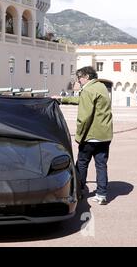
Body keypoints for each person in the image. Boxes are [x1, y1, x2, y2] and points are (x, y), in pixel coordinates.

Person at [52, 66, 113, 205]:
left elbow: (84, 117)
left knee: (82, 164)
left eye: (79, 78)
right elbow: (84, 101)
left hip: (90, 135)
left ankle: (78, 192)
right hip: (104, 135)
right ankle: (102, 194)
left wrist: (79, 136)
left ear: (86, 77)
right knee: (101, 164)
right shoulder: (101, 87)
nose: (78, 81)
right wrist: (63, 99)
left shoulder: (88, 90)